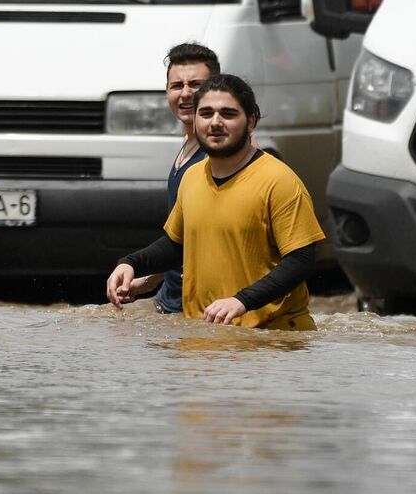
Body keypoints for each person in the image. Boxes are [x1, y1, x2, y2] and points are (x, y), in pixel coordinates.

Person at [106, 74, 325, 330]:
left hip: (272, 342)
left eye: (228, 114)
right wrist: (131, 263)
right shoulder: (192, 176)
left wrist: (242, 301)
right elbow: (177, 245)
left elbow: (301, 260)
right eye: (206, 113)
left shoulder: (280, 181)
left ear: (251, 121)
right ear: (195, 120)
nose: (215, 122)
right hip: (205, 336)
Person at [125, 42, 220, 314]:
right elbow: (182, 239)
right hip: (167, 299)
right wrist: (148, 280)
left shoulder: (222, 155)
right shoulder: (187, 145)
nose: (186, 93)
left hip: (198, 310)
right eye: (177, 85)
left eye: (196, 84)